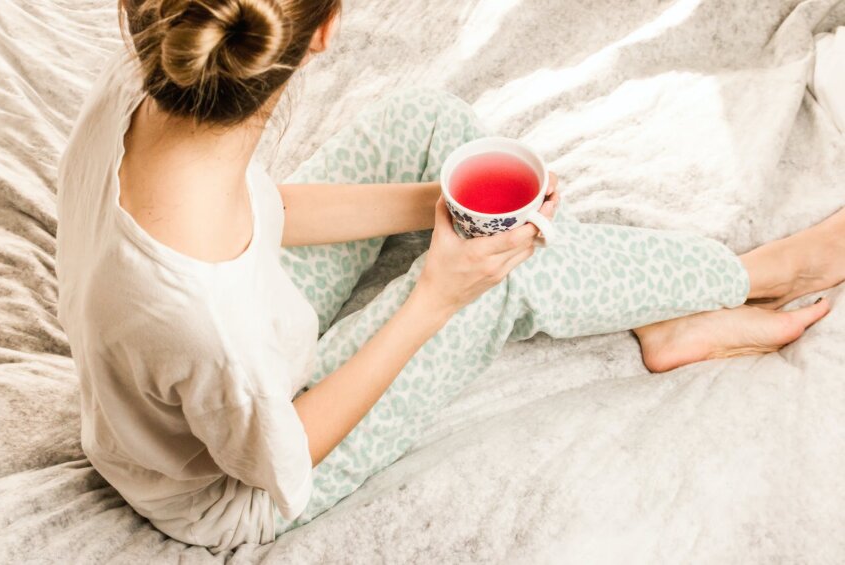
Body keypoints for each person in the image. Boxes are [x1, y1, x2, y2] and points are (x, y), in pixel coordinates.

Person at [54, 0, 842, 554]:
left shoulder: (145, 84)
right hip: (241, 486)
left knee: (431, 126)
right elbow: (280, 455)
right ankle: (750, 275)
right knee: (501, 281)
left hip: (239, 330)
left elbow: (259, 211)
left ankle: (659, 306)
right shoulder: (204, 321)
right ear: (325, 31)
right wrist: (438, 293)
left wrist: (438, 203)